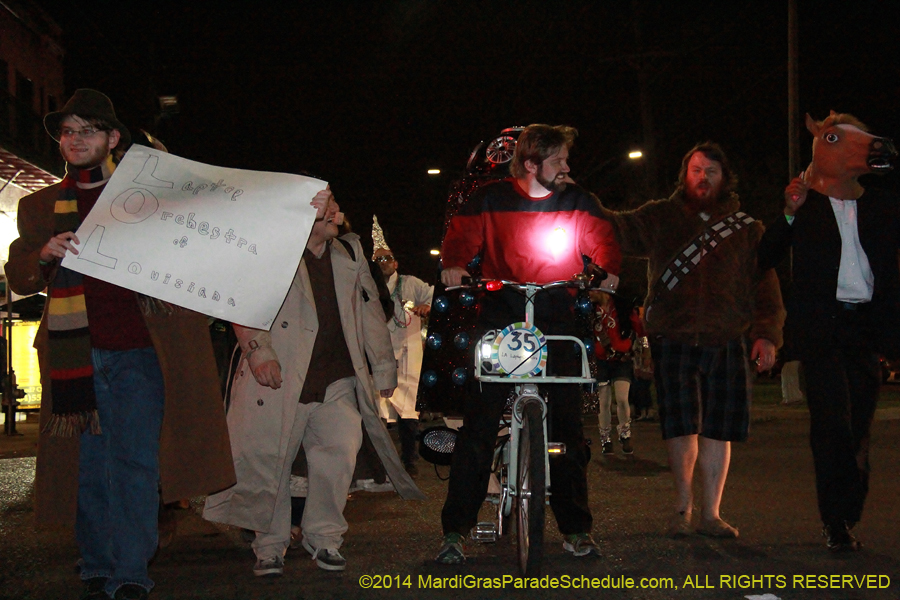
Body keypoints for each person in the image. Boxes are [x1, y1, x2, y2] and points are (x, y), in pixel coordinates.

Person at [4, 89, 235, 600]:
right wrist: (42, 253)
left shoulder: (148, 199)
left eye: (87, 130)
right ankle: (96, 560)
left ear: (112, 139)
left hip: (141, 353)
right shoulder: (40, 205)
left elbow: (220, 228)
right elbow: (19, 273)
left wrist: (297, 208)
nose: (74, 139)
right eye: (67, 131)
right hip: (74, 354)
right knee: (87, 468)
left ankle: (131, 570)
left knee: (134, 465)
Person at [203, 194, 423, 578]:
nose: (338, 212)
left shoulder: (349, 253)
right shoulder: (270, 253)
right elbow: (244, 303)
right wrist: (259, 353)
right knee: (272, 462)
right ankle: (269, 546)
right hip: (281, 378)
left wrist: (384, 366)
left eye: (336, 203)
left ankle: (325, 537)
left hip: (338, 378)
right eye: (328, 205)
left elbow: (370, 310)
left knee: (338, 456)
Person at [436, 124, 621, 563]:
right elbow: (460, 237)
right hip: (501, 318)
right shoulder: (489, 199)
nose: (567, 168)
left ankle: (576, 529)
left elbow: (603, 240)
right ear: (531, 164)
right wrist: (454, 264)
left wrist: (607, 270)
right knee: (479, 428)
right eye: (558, 161)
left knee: (568, 430)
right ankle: (455, 532)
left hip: (557, 315)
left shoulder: (577, 201)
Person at [600, 142, 784, 540]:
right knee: (680, 424)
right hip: (673, 335)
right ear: (685, 175)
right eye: (697, 170)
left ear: (724, 177)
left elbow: (765, 286)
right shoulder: (661, 216)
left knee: (719, 427)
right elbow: (617, 229)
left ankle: (712, 514)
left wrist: (767, 335)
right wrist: (577, 201)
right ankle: (682, 507)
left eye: (711, 171)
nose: (703, 178)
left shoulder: (747, 229)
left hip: (727, 336)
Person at [758, 112, 900, 552]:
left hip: (864, 329)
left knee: (858, 425)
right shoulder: (804, 205)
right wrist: (788, 214)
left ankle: (848, 507)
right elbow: (765, 255)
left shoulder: (882, 205)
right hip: (822, 330)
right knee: (831, 423)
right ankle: (835, 520)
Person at [371, 216, 433, 476]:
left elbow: (434, 296)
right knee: (378, 407)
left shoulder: (410, 283)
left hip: (407, 351)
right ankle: (379, 464)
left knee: (407, 406)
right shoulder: (368, 287)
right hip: (379, 352)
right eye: (378, 259)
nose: (384, 262)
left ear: (396, 263)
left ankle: (409, 461)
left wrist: (426, 307)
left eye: (388, 258)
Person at [590, 290, 635, 455]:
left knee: (622, 399)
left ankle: (625, 434)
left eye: (594, 289)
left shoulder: (622, 307)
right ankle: (605, 438)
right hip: (601, 360)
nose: (590, 292)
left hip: (621, 359)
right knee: (603, 402)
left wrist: (640, 347)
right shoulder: (590, 310)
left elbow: (637, 327)